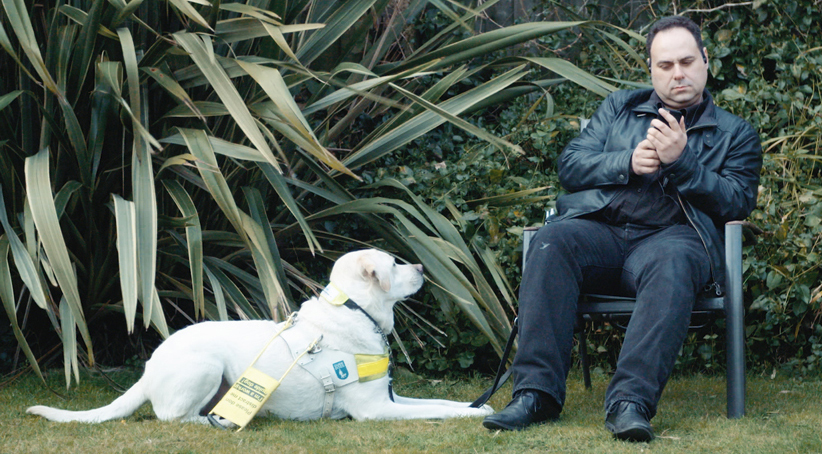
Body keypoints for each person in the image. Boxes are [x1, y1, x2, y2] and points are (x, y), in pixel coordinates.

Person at [481, 16, 762, 442]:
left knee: (673, 261)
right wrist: (626, 161)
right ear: (651, 69)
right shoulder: (619, 108)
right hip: (605, 233)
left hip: (675, 239)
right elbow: (571, 166)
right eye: (665, 65)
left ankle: (630, 403)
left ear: (706, 60)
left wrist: (683, 162)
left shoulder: (736, 134)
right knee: (552, 241)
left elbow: (737, 201)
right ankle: (535, 395)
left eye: (687, 61)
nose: (678, 73)